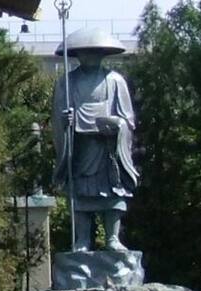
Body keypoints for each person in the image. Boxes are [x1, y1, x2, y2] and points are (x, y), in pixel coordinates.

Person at [52, 28, 137, 252]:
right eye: (85, 52)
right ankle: (82, 239)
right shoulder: (67, 83)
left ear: (103, 54)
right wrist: (65, 121)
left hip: (108, 150)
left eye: (95, 52)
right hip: (81, 148)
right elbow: (57, 116)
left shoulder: (115, 81)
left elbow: (128, 119)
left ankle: (112, 238)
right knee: (81, 193)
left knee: (113, 192)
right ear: (77, 55)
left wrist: (117, 125)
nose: (90, 56)